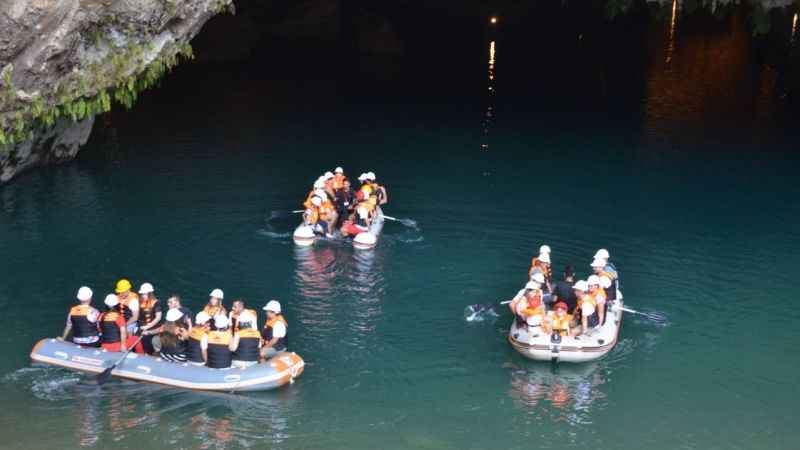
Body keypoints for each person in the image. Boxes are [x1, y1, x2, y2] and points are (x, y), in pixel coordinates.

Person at [136, 283, 162, 354]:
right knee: (141, 344)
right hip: (141, 327)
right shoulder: (139, 301)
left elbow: (158, 318)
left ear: (150, 293)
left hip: (152, 328)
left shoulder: (156, 303)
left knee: (150, 346)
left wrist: (148, 326)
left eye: (144, 294)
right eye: (142, 294)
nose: (142, 296)